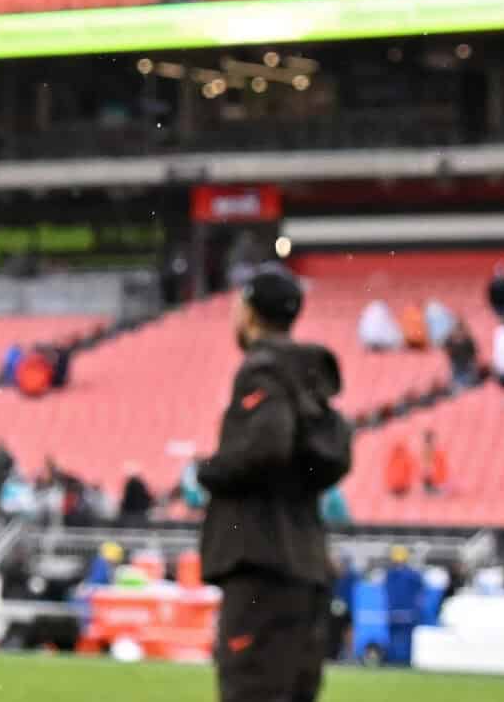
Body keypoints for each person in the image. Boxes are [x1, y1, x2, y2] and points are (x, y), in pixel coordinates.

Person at [197, 266, 344, 702]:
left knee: (250, 689)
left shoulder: (264, 371)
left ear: (248, 312)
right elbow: (332, 458)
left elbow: (267, 445)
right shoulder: (309, 380)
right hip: (305, 563)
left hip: (261, 562)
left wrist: (211, 470)